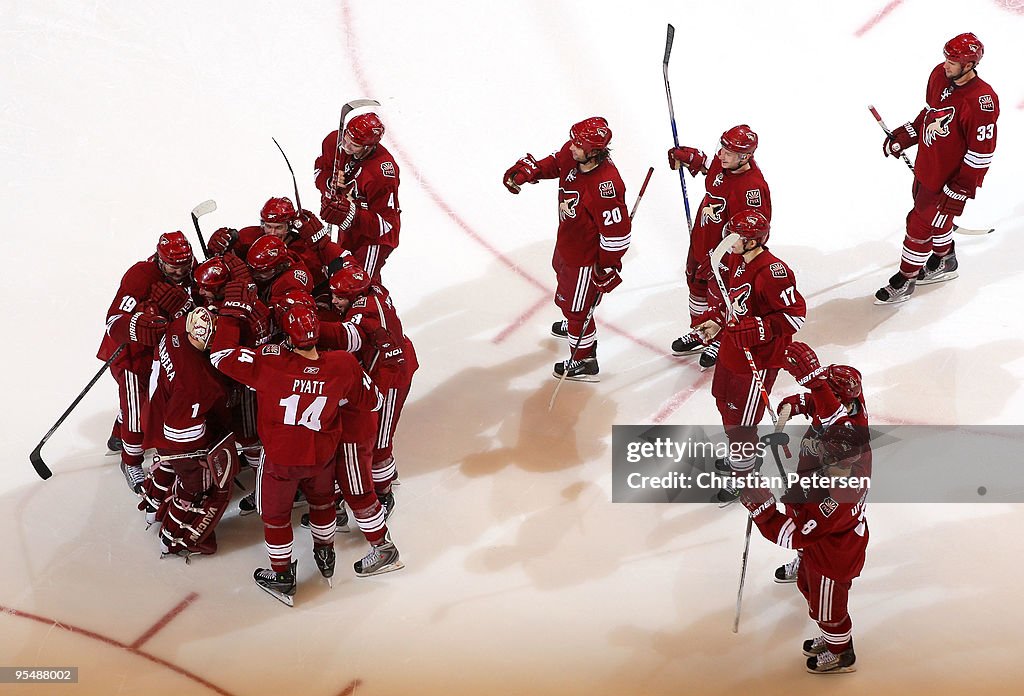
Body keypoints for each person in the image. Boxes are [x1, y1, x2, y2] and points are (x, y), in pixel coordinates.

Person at [211, 304, 401, 607]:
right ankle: (325, 551)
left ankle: (282, 574)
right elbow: (375, 401)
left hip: (280, 460)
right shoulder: (342, 364)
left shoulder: (270, 362)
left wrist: (230, 315)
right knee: (323, 502)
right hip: (321, 456)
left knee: (275, 517)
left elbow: (220, 356)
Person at [739, 342, 871, 675]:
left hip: (832, 551)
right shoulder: (851, 413)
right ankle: (831, 635)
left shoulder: (834, 500)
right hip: (822, 545)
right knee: (812, 591)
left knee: (828, 609)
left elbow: (795, 536)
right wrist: (798, 400)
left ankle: (842, 652)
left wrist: (761, 508)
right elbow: (822, 406)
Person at [503, 116, 631, 381]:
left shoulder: (605, 187)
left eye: (578, 145)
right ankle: (575, 325)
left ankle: (584, 358)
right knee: (570, 297)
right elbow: (557, 162)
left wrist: (606, 266)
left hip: (585, 259)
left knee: (578, 308)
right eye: (573, 141)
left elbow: (617, 235)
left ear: (594, 151)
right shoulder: (576, 155)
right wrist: (532, 171)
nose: (572, 147)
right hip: (567, 245)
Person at [875, 32, 999, 304]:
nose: (946, 65)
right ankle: (945, 260)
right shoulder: (939, 76)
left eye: (953, 62)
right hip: (926, 169)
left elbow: (981, 153)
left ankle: (906, 278)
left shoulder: (981, 101)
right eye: (946, 58)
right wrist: (906, 135)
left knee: (918, 226)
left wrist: (961, 189)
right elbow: (929, 114)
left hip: (949, 181)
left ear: (969, 65)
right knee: (935, 223)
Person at [693, 211, 805, 501]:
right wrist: (717, 320)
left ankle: (746, 477)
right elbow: (735, 304)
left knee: (743, 425)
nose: (729, 240)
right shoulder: (735, 260)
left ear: (753, 241)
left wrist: (757, 329)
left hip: (760, 359)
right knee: (726, 406)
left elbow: (794, 318)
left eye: (736, 236)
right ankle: (739, 459)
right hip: (733, 351)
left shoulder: (773, 273)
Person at [97, 231, 196, 493]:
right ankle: (130, 461)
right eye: (174, 266)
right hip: (130, 356)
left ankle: (118, 436)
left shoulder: (191, 270)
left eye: (185, 265)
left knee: (143, 405)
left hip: (163, 354)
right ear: (161, 260)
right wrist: (136, 327)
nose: (181, 271)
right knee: (137, 415)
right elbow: (113, 320)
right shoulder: (141, 275)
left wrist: (185, 306)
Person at [667, 124, 771, 369]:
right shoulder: (724, 162)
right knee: (696, 287)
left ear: (745, 157)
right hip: (701, 242)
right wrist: (691, 158)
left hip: (725, 256)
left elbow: (757, 232)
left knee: (721, 296)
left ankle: (721, 337)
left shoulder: (752, 189)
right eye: (721, 148)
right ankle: (701, 330)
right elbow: (709, 170)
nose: (721, 154)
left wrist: (722, 258)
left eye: (729, 152)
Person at [138, 306, 237, 558]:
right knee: (199, 486)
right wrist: (202, 455)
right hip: (178, 437)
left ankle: (155, 505)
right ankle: (176, 538)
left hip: (158, 413)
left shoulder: (178, 327)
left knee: (167, 465)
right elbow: (180, 434)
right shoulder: (196, 383)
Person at [322, 260, 418, 513]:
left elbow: (353, 341)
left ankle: (383, 491)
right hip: (391, 367)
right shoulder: (374, 290)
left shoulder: (365, 318)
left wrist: (375, 394)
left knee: (380, 441)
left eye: (340, 297)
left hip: (394, 378)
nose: (334, 301)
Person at [772, 353, 867, 584]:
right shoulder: (845, 400)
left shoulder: (848, 431)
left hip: (826, 486)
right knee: (798, 515)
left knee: (810, 526)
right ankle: (803, 557)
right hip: (810, 474)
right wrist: (796, 403)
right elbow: (817, 402)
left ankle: (809, 562)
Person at [315, 113, 401, 284]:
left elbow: (386, 225)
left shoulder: (381, 174)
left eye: (353, 145)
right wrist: (328, 182)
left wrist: (349, 214)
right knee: (340, 278)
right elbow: (320, 169)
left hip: (373, 240)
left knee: (358, 286)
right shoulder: (334, 141)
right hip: (349, 228)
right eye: (346, 138)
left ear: (369, 147)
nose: (345, 146)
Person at [206, 197, 347, 290]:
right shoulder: (248, 237)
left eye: (279, 227)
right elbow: (223, 261)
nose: (272, 233)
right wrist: (217, 248)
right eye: (268, 226)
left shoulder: (304, 251)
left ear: (289, 226)